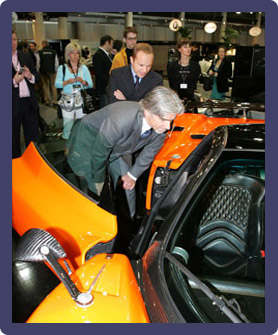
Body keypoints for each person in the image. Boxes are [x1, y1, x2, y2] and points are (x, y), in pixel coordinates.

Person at [66, 86, 184, 219]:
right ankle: (96, 223)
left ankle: (128, 225)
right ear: (148, 112)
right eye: (164, 119)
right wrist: (99, 182)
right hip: (89, 141)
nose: (168, 126)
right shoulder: (121, 119)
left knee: (127, 186)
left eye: (171, 120)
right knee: (91, 185)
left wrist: (132, 175)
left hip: (118, 147)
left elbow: (150, 152)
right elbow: (98, 154)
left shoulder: (161, 127)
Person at [55, 42, 93, 140]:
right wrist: (67, 82)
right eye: (72, 53)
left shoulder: (83, 68)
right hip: (67, 101)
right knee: (68, 125)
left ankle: (81, 146)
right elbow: (57, 84)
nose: (75, 56)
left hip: (81, 101)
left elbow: (90, 85)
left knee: (82, 125)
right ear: (68, 54)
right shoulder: (62, 68)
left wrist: (83, 82)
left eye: (77, 53)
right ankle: (67, 147)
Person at [12, 30, 40, 158]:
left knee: (33, 140)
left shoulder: (25, 56)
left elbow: (37, 76)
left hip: (29, 103)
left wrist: (30, 76)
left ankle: (34, 165)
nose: (13, 43)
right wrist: (13, 81)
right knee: (13, 141)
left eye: (14, 39)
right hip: (13, 105)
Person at [167, 38, 201, 103]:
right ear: (179, 49)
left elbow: (195, 82)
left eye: (189, 47)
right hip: (176, 99)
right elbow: (172, 84)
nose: (188, 49)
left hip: (191, 98)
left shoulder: (195, 66)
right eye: (185, 47)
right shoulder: (172, 66)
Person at [93, 35, 113, 108]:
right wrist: (111, 80)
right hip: (103, 87)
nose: (112, 46)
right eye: (111, 44)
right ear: (107, 43)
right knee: (105, 108)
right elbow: (99, 72)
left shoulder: (106, 54)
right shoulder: (98, 55)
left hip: (107, 87)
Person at [38, 40, 59, 106]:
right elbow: (56, 63)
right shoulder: (53, 52)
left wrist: (38, 71)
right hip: (52, 71)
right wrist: (56, 71)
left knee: (45, 85)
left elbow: (38, 63)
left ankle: (47, 100)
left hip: (43, 71)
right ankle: (55, 101)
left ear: (43, 45)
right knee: (53, 85)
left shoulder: (40, 52)